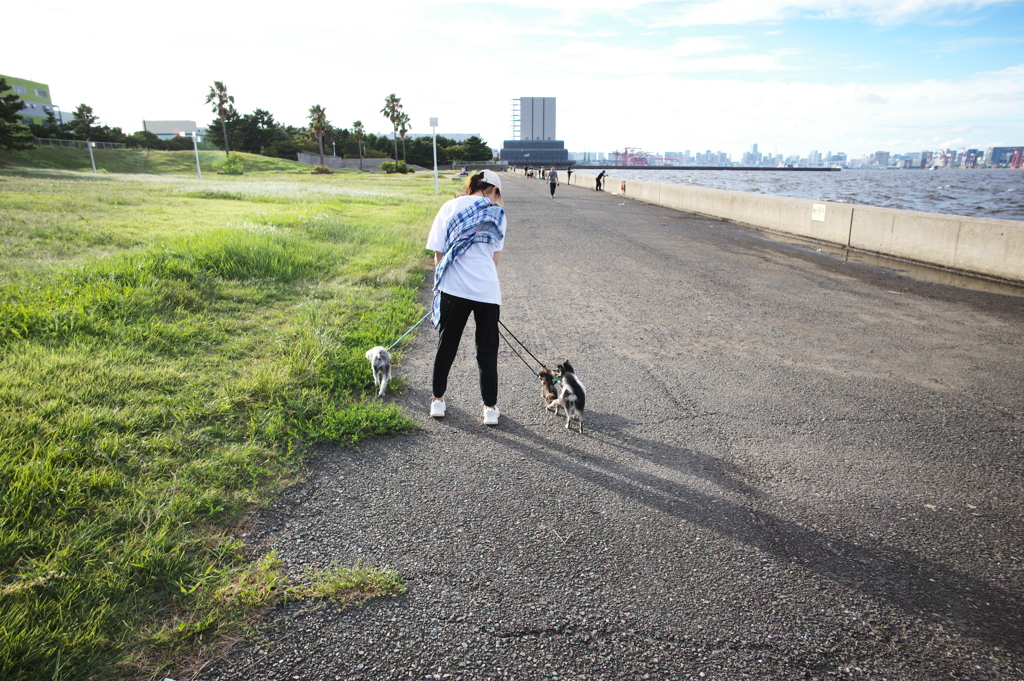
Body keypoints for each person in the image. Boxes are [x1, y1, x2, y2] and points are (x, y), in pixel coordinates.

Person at [426, 169, 507, 426]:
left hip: (454, 288)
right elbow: (494, 259)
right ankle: (490, 408)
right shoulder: (498, 214)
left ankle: (437, 401)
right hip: (487, 290)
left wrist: (443, 282)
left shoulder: (449, 207)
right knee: (487, 351)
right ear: (493, 190)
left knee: (446, 346)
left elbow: (439, 254)